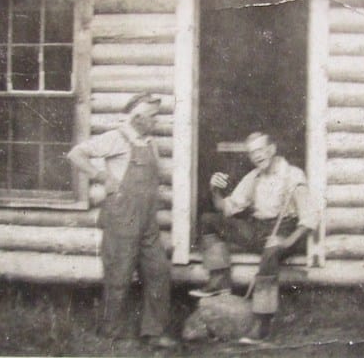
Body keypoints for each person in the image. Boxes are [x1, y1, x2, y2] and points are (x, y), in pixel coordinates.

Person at [67, 93, 177, 349]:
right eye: (152, 117)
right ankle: (112, 335)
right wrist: (102, 176)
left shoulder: (150, 143)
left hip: (147, 221)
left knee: (158, 271)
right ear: (137, 118)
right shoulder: (116, 137)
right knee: (119, 276)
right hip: (121, 218)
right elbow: (76, 154)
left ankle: (154, 332)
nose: (156, 121)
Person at [189, 132, 318, 343]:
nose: (256, 156)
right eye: (251, 153)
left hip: (286, 231)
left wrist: (285, 242)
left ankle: (262, 322)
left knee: (270, 253)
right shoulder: (254, 176)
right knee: (209, 220)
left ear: (272, 149)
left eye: (259, 150)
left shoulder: (292, 175)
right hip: (259, 229)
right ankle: (219, 279)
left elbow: (310, 217)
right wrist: (214, 190)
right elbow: (227, 208)